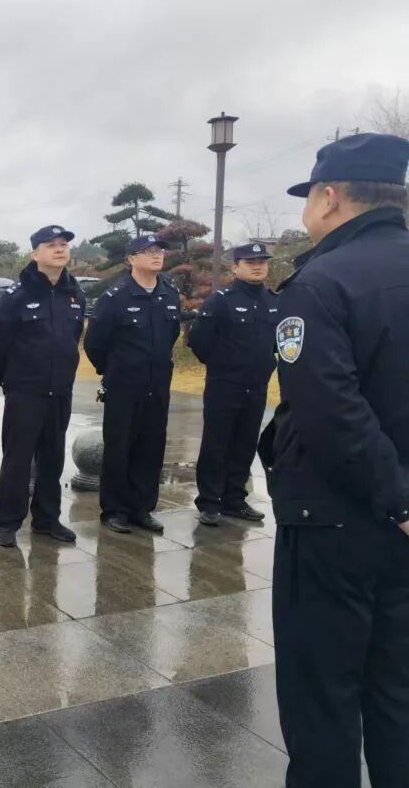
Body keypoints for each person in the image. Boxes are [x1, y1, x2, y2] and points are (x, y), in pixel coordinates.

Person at [258, 132, 409, 788]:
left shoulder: (322, 281)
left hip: (333, 522)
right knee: (398, 694)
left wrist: (396, 498)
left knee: (322, 698)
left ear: (328, 197)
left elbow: (329, 411)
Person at [0, 226, 85, 547]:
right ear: (35, 253)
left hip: (60, 389)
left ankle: (46, 518)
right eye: (51, 245)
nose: (59, 249)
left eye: (63, 244)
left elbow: (74, 337)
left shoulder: (74, 294)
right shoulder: (17, 296)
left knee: (53, 458)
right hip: (25, 391)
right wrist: (10, 381)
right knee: (17, 458)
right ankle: (8, 522)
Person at [84, 234, 182, 534]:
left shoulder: (168, 293)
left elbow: (171, 335)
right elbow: (95, 343)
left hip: (158, 384)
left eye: (159, 250)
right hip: (124, 386)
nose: (157, 255)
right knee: (119, 447)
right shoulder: (115, 297)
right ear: (131, 259)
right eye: (148, 251)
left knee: (151, 446)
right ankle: (114, 510)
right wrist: (114, 370)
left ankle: (142, 508)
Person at [188, 243, 278, 527]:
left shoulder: (274, 301)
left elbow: (279, 341)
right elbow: (199, 340)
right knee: (216, 443)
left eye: (262, 262)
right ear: (236, 266)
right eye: (250, 262)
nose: (257, 266)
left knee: (245, 443)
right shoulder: (221, 300)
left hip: (257, 384)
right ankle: (209, 501)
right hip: (224, 384)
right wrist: (222, 365)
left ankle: (235, 499)